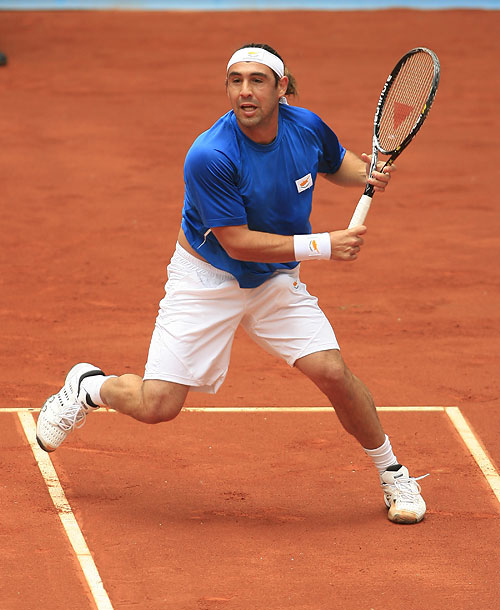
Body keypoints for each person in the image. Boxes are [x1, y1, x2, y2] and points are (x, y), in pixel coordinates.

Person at [36, 43, 427, 524]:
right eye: (235, 80)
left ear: (281, 88)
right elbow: (237, 243)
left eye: (257, 80)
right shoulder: (210, 155)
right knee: (157, 406)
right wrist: (325, 245)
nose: (244, 91)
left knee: (332, 372)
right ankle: (90, 387)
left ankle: (392, 471)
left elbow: (335, 163)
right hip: (207, 279)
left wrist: (368, 172)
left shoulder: (306, 126)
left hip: (274, 279)